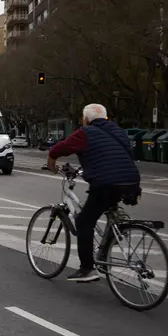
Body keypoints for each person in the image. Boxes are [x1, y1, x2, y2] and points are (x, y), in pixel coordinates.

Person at [47, 103, 141, 282]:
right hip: (130, 182)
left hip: (106, 183)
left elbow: (61, 148)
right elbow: (117, 155)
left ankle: (87, 269)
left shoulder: (85, 132)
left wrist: (51, 162)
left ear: (85, 119)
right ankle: (105, 251)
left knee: (83, 221)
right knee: (106, 205)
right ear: (106, 118)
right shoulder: (119, 132)